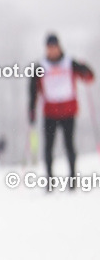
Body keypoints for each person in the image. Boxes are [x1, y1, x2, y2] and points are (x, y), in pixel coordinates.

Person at [29, 33, 95, 185]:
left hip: (68, 110)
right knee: (49, 148)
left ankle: (72, 179)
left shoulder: (69, 62)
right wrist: (31, 110)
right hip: (50, 112)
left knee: (69, 145)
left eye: (54, 47)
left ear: (59, 47)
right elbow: (33, 91)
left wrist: (85, 69)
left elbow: (89, 77)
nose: (52, 50)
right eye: (49, 47)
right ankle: (50, 180)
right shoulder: (40, 66)